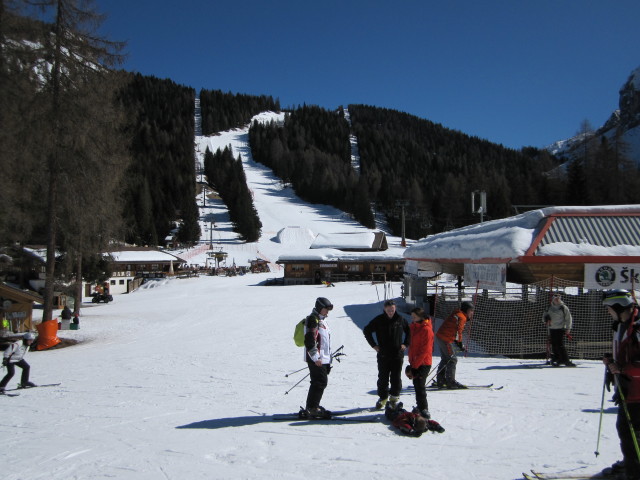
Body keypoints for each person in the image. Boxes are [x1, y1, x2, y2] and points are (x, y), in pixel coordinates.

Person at [602, 289, 640, 480]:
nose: (608, 312)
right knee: (626, 432)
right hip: (627, 390)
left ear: (618, 307)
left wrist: (621, 369)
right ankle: (631, 464)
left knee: (632, 434)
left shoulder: (637, 329)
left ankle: (635, 471)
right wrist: (612, 363)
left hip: (637, 393)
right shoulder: (622, 325)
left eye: (609, 309)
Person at [364, 299, 411, 410]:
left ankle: (394, 399)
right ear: (384, 309)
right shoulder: (379, 320)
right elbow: (367, 330)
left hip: (397, 355)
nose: (391, 312)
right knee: (383, 378)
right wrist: (374, 345)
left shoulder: (400, 319)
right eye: (388, 310)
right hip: (383, 355)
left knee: (396, 377)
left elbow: (409, 332)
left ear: (395, 309)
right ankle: (383, 398)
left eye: (392, 310)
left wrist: (405, 344)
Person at [299, 297, 334, 419]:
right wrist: (315, 357)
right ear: (319, 308)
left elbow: (324, 341)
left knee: (318, 382)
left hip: (322, 358)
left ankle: (312, 406)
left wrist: (328, 359)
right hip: (316, 358)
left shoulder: (321, 320)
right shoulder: (313, 320)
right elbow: (310, 340)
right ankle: (313, 408)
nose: (327, 312)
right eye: (326, 309)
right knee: (320, 382)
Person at [435, 301, 474, 389]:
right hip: (445, 339)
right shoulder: (462, 317)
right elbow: (458, 332)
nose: (472, 313)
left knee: (446, 358)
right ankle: (450, 381)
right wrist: (459, 344)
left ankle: (441, 380)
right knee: (452, 359)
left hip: (441, 337)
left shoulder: (458, 314)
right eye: (471, 310)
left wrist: (457, 342)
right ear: (466, 310)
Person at [405, 307, 434, 419]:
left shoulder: (426, 330)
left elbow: (425, 350)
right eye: (412, 317)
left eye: (415, 317)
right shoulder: (414, 327)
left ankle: (424, 409)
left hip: (423, 362)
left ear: (421, 317)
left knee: (420, 386)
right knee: (416, 385)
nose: (413, 319)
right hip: (415, 361)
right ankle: (420, 407)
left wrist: (416, 366)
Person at [544, 293, 575, 367]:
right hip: (552, 329)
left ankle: (566, 360)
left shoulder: (563, 307)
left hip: (560, 328)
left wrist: (568, 328)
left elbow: (568, 319)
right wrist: (546, 319)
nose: (557, 299)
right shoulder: (549, 307)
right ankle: (557, 359)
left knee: (560, 345)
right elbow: (544, 316)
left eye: (558, 298)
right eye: (556, 298)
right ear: (553, 299)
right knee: (554, 345)